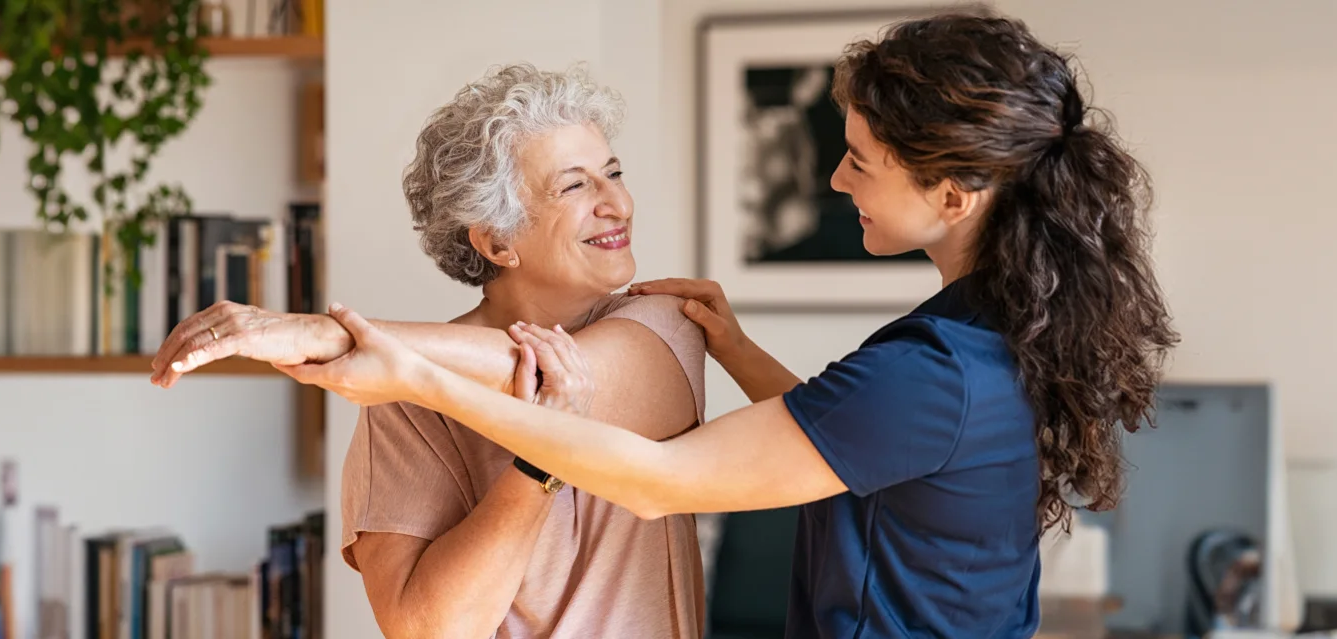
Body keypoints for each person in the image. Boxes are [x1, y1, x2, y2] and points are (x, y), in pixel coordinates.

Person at [269, 13, 1178, 637]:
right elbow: (850, 447)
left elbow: (658, 478)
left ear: (951, 193)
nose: (834, 180)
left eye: (858, 159)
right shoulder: (978, 332)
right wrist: (740, 350)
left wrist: (400, 366)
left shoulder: (910, 364)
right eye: (574, 183)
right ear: (493, 239)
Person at [150, 64, 709, 638]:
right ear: (497, 241)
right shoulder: (402, 398)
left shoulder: (665, 322)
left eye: (612, 172)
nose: (616, 202)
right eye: (575, 185)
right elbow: (429, 631)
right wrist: (536, 467)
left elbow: (565, 374)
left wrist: (330, 333)